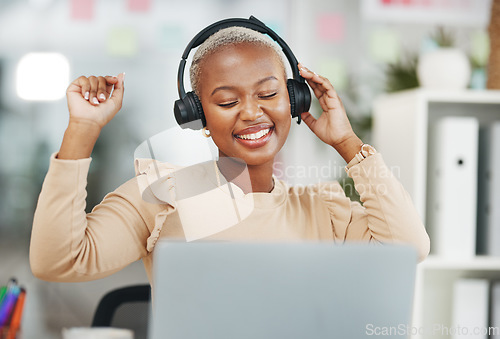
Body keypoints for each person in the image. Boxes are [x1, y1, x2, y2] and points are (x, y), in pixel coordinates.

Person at [29, 23, 430, 285]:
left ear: (293, 100)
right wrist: (82, 129)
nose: (252, 112)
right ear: (197, 115)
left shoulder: (324, 210)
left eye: (269, 94)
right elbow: (56, 260)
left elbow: (409, 248)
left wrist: (348, 144)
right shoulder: (159, 198)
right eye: (226, 101)